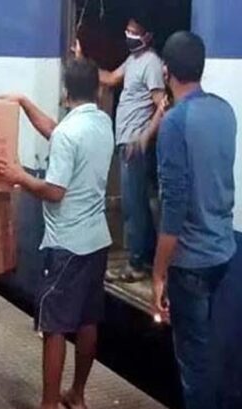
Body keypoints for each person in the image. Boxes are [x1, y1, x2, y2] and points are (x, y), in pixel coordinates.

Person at [0, 58, 114, 409]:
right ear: (96, 90)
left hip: (66, 245)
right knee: (88, 319)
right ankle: (76, 396)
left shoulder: (68, 134)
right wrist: (24, 102)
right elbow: (58, 132)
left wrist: (19, 177)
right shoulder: (102, 123)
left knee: (55, 326)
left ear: (65, 93)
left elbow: (55, 191)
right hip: (96, 241)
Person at [149, 32, 237, 409]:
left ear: (166, 71)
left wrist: (158, 273)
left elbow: (175, 208)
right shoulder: (224, 111)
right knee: (204, 354)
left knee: (194, 364)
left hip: (191, 262)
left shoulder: (174, 124)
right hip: (223, 251)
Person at [100, 17, 166, 283]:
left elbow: (161, 104)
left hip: (135, 145)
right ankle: (146, 257)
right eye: (127, 30)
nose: (129, 35)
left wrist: (144, 137)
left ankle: (136, 263)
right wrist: (82, 62)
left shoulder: (151, 62)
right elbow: (110, 79)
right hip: (127, 142)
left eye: (135, 32)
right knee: (139, 204)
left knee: (133, 207)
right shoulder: (133, 60)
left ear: (147, 36)